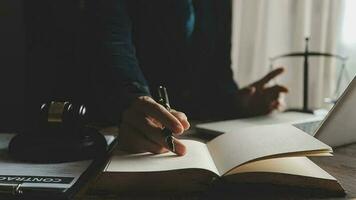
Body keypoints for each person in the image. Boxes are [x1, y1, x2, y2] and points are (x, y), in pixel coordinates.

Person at [109, 0, 288, 154]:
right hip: (118, 132)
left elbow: (218, 74)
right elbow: (112, 44)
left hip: (193, 133)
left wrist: (238, 103)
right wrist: (133, 98)